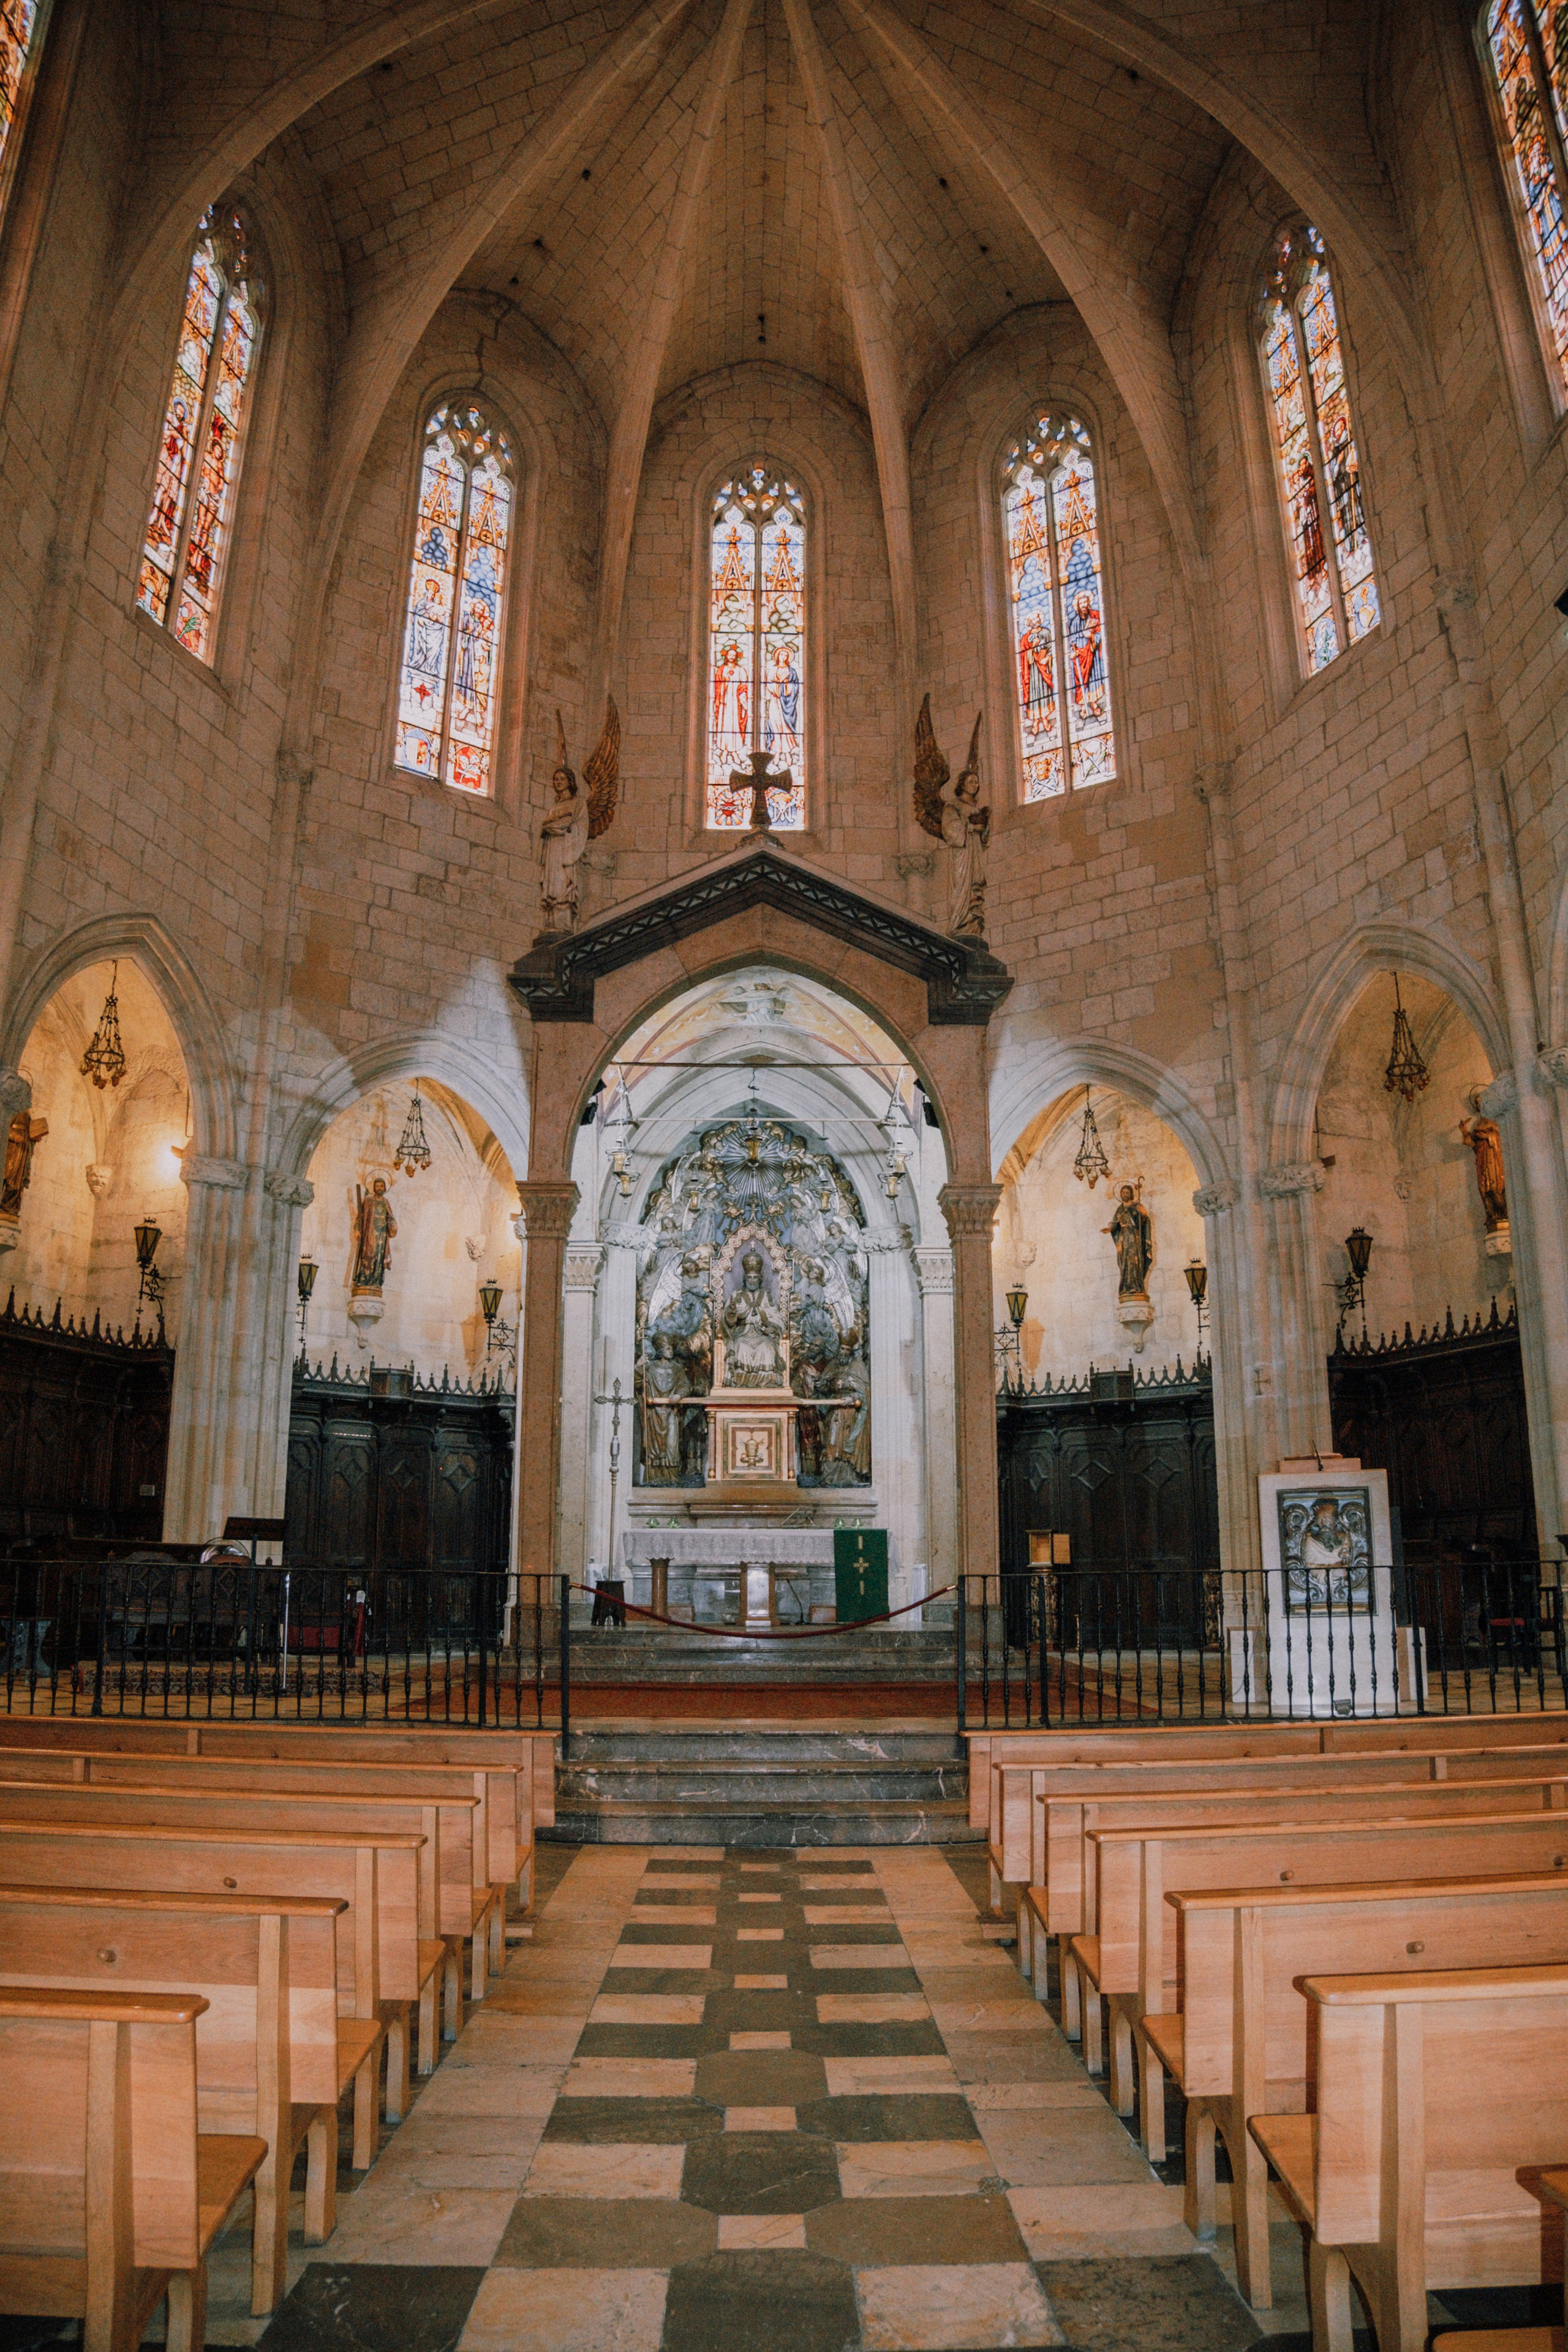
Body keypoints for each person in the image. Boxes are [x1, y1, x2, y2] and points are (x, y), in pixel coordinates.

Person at [721, 1249, 786, 1386]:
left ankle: (767, 1381)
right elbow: (727, 1320)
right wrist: (731, 1314)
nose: (752, 1280)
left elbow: (776, 1317)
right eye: (749, 1277)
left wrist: (771, 1327)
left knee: (767, 1347)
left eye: (755, 1277)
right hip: (743, 1333)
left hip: (761, 1334)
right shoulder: (736, 1295)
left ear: (759, 1279)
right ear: (745, 1278)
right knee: (740, 1347)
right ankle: (740, 1382)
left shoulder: (766, 1296)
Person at [1102, 1183, 1152, 1299]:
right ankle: (1126, 1287)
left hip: (1134, 1238)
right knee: (1125, 1262)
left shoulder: (1136, 1206)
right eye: (1123, 1192)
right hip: (1123, 1239)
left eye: (1127, 1192)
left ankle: (1136, 1287)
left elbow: (1144, 1222)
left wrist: (1143, 1214)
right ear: (1120, 1194)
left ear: (1131, 1194)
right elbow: (1115, 1222)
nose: (1125, 1194)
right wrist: (1109, 1229)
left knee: (1134, 1261)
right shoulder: (1120, 1209)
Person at [352, 1177, 397, 1293]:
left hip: (382, 1235)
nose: (379, 1188)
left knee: (379, 1258)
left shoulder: (386, 1202)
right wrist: (357, 1229)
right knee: (369, 1255)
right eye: (377, 1186)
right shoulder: (369, 1200)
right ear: (374, 1188)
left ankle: (376, 1281)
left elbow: (390, 1218)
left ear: (385, 1188)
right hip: (370, 1233)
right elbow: (360, 1217)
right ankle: (364, 1280)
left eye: (382, 1186)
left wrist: (393, 1226)